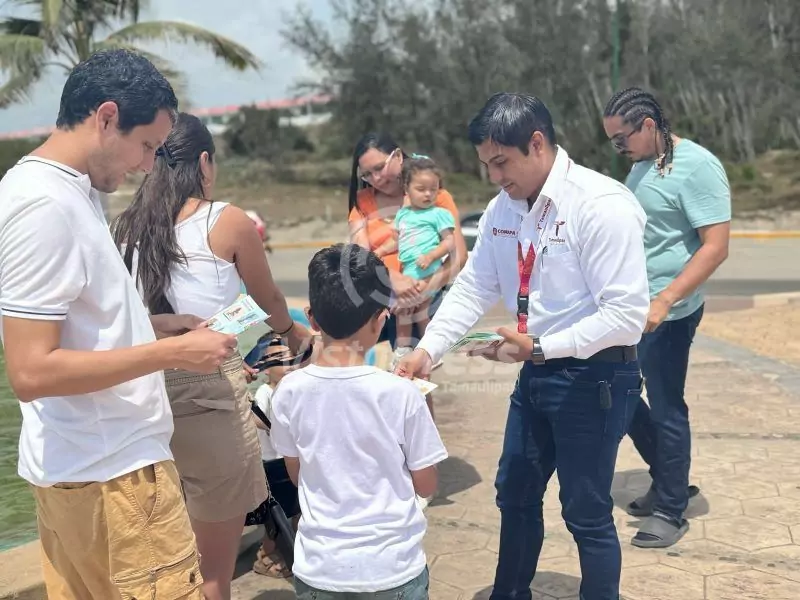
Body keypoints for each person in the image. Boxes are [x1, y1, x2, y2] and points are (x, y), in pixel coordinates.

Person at [0, 49, 237, 599]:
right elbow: (31, 372)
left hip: (83, 467)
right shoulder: (46, 206)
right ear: (107, 118)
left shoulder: (53, 189)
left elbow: (74, 325)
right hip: (115, 477)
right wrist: (170, 355)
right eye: (147, 145)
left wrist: (148, 325)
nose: (148, 166)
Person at [397, 92, 650, 600]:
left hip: (597, 377)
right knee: (514, 493)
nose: (494, 177)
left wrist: (538, 346)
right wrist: (427, 351)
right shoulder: (503, 208)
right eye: (486, 165)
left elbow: (625, 318)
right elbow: (475, 285)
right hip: (537, 372)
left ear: (536, 143)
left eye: (501, 162)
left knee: (585, 510)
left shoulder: (600, 204)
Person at [111, 112, 313, 600]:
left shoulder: (123, 227)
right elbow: (268, 302)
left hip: (139, 389)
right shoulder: (226, 219)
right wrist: (294, 332)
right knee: (212, 576)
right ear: (204, 162)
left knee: (163, 566)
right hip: (207, 393)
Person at [269, 243, 448, 600]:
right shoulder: (402, 394)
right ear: (381, 320)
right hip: (394, 569)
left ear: (312, 318)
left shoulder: (287, 391)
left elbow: (298, 474)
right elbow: (426, 485)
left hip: (320, 569)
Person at [603, 87, 731, 548]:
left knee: (666, 404)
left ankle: (671, 509)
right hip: (633, 308)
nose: (618, 149)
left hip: (670, 312)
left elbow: (716, 246)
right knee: (618, 392)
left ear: (649, 125)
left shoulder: (698, 166)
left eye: (621, 139)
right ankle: (668, 476)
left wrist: (666, 300)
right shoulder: (643, 164)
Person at [348, 133, 468, 352]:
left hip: (428, 293)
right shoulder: (361, 202)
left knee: (414, 355)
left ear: (398, 156)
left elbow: (458, 256)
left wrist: (420, 291)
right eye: (367, 174)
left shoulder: (436, 197)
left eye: (379, 168)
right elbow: (361, 258)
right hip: (384, 298)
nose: (375, 178)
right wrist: (394, 281)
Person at [376, 156, 455, 361]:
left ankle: (423, 350)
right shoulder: (403, 215)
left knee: (414, 311)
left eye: (433, 189)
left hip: (428, 272)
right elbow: (397, 241)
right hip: (409, 272)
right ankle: (410, 350)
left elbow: (449, 242)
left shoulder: (438, 214)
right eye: (421, 189)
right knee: (409, 313)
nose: (428, 194)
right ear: (407, 189)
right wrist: (380, 252)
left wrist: (431, 255)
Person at [246, 337, 303, 579]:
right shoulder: (265, 392)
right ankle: (266, 555)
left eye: (291, 358)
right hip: (273, 464)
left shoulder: (293, 391)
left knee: (296, 511)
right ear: (265, 368)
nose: (287, 364)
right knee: (277, 517)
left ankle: (290, 553)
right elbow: (255, 418)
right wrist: (274, 427)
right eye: (279, 360)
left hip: (290, 461)